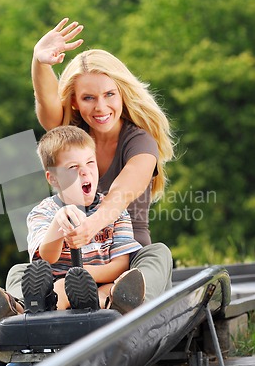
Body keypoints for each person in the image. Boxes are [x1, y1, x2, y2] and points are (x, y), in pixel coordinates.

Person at [30, 18, 174, 301]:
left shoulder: (140, 142)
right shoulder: (72, 137)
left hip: (123, 261)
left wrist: (88, 228)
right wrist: (40, 62)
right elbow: (47, 106)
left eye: (109, 94)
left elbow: (119, 196)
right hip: (70, 265)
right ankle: (21, 307)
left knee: (159, 255)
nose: (101, 107)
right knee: (21, 270)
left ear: (122, 93)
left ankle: (124, 299)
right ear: (73, 101)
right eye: (88, 98)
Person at [0, 126, 145, 325]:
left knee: (110, 286)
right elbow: (47, 257)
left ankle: (102, 304)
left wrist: (83, 276)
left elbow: (120, 265)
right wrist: (58, 223)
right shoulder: (43, 212)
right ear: (53, 178)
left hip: (103, 282)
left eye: (90, 162)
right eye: (73, 167)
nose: (85, 171)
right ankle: (17, 308)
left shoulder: (113, 211)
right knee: (21, 272)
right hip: (56, 287)